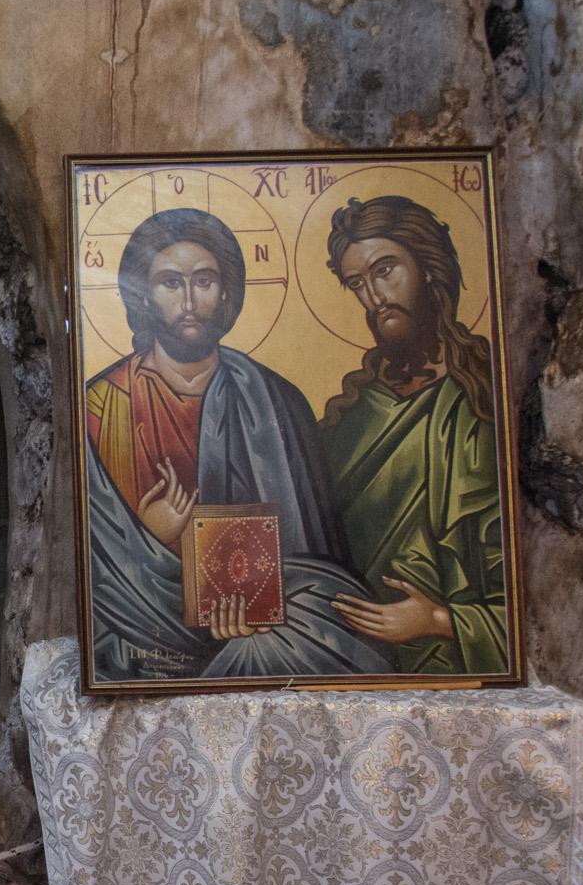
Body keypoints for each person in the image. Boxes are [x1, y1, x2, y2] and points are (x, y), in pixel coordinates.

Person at [81, 206, 389, 682]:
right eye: (169, 282)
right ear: (143, 294)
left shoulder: (278, 400)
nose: (188, 300)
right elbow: (102, 569)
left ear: (225, 291)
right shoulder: (102, 406)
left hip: (263, 628)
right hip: (143, 641)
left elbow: (316, 560)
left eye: (203, 281)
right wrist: (152, 535)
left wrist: (262, 603)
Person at [318, 195, 511, 674]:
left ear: (427, 267)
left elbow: (519, 601)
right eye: (357, 284)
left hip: (443, 659)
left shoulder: (483, 398)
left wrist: (438, 620)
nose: (374, 297)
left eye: (385, 270)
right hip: (344, 651)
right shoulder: (351, 416)